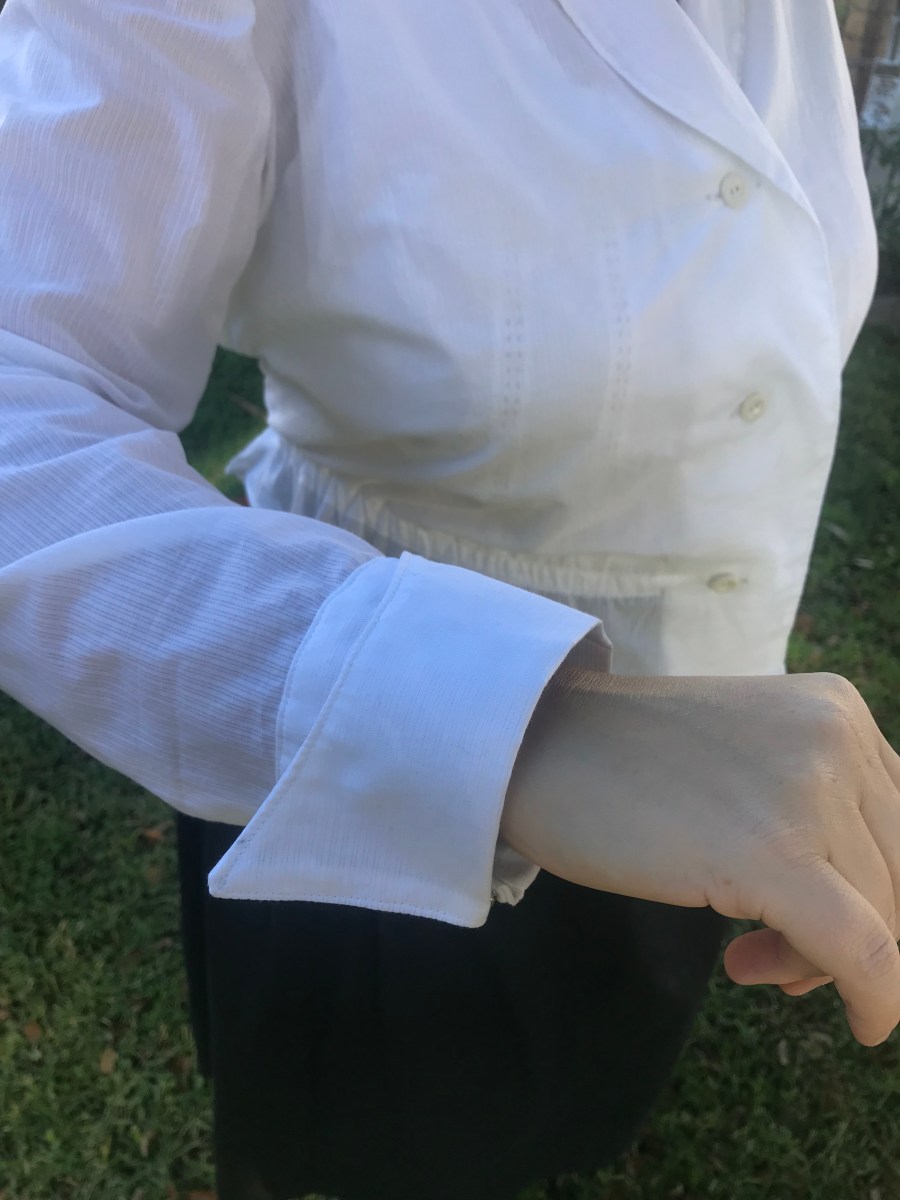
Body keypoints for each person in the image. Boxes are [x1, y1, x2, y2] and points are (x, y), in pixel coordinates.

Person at [0, 2, 897, 1199]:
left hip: (712, 771)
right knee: (363, 1146)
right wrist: (525, 724)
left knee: (553, 1109)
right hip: (376, 787)